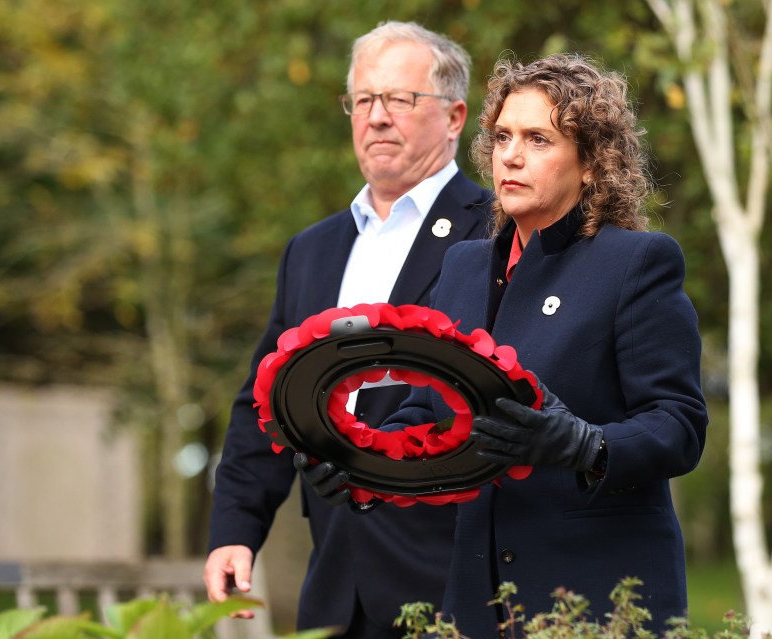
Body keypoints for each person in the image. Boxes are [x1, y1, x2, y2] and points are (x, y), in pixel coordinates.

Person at [303, 53, 708, 635]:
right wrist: (362, 464)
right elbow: (428, 406)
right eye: (502, 137)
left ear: (592, 162)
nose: (511, 156)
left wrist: (585, 445)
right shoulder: (465, 267)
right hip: (478, 600)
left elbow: (679, 426)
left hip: (597, 593)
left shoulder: (635, 263)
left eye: (538, 139)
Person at [204, 21, 493, 638]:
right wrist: (235, 530)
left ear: (454, 116)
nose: (376, 117)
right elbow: (266, 401)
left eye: (399, 99)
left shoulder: (498, 234)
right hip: (337, 581)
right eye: (363, 100)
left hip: (454, 580)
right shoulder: (311, 250)